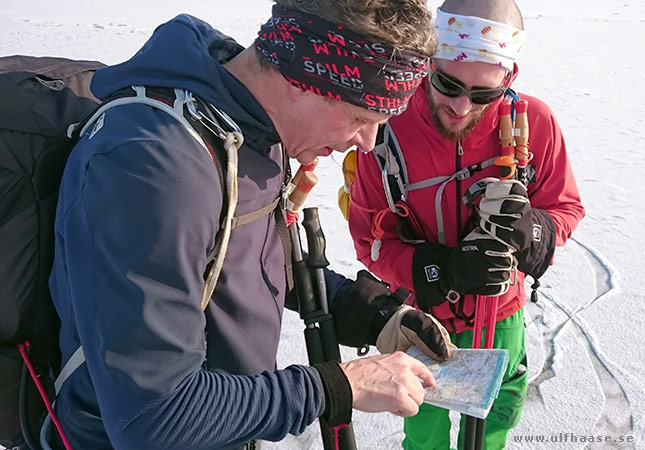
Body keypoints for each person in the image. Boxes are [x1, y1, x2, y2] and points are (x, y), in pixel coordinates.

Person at [48, 1, 457, 449]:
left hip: (225, 429)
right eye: (361, 118)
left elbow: (238, 258)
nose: (365, 143)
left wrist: (367, 311)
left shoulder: (249, 125)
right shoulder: (155, 170)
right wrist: (339, 386)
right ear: (307, 81)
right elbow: (154, 419)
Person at [347, 0, 586, 448]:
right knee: (425, 423)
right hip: (421, 315)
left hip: (502, 309)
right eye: (447, 83)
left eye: (483, 94)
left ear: (508, 79)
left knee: (498, 412)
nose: (460, 106)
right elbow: (370, 242)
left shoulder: (534, 123)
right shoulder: (385, 130)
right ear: (426, 63)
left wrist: (532, 230)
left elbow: (565, 208)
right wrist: (445, 269)